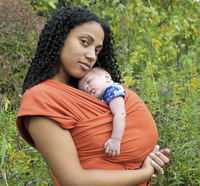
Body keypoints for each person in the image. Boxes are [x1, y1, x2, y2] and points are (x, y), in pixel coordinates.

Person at [16, 7, 170, 186]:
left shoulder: (92, 91)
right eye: (84, 42)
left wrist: (150, 157)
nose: (91, 56)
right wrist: (144, 172)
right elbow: (74, 180)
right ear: (60, 38)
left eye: (97, 50)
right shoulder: (41, 99)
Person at [79, 67, 125, 157]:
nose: (86, 87)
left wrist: (115, 140)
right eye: (83, 89)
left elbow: (120, 114)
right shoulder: (105, 96)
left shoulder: (112, 90)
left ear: (107, 77)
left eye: (88, 81)